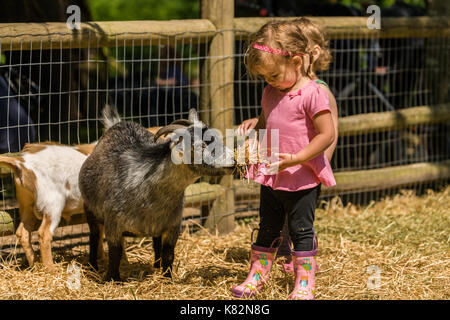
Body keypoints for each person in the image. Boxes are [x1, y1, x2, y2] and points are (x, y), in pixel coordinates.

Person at [232, 18, 337, 300]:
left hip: (301, 176)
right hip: (273, 173)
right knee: (266, 226)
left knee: (301, 229)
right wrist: (252, 145)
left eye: (274, 75)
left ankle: (304, 283)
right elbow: (266, 125)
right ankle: (257, 276)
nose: (269, 81)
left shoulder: (313, 94)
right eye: (265, 77)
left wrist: (298, 158)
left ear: (296, 62)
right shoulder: (270, 92)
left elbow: (327, 134)